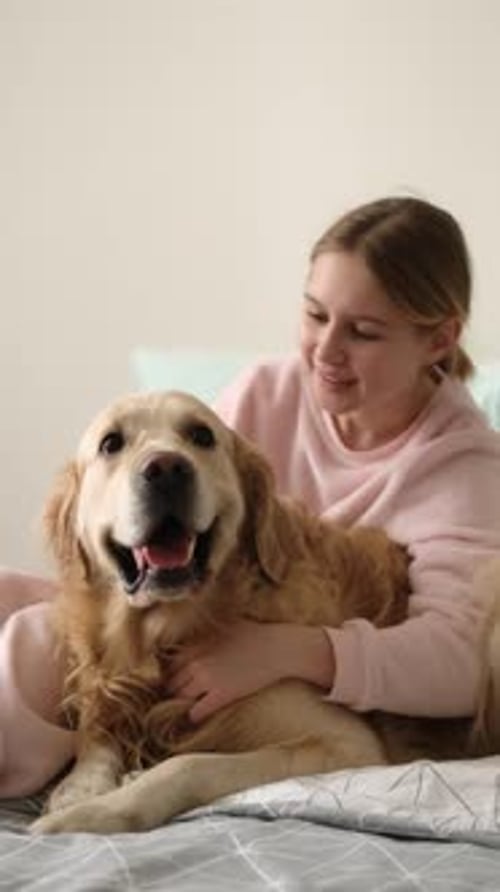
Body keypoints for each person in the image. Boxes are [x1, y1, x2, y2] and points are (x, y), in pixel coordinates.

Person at [2, 196, 500, 798]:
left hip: (301, 661)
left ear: (440, 339)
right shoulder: (268, 390)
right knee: (22, 608)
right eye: (315, 315)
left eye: (363, 332)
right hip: (193, 622)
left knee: (37, 643)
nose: (326, 351)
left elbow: (461, 661)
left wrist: (292, 651)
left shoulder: (464, 466)